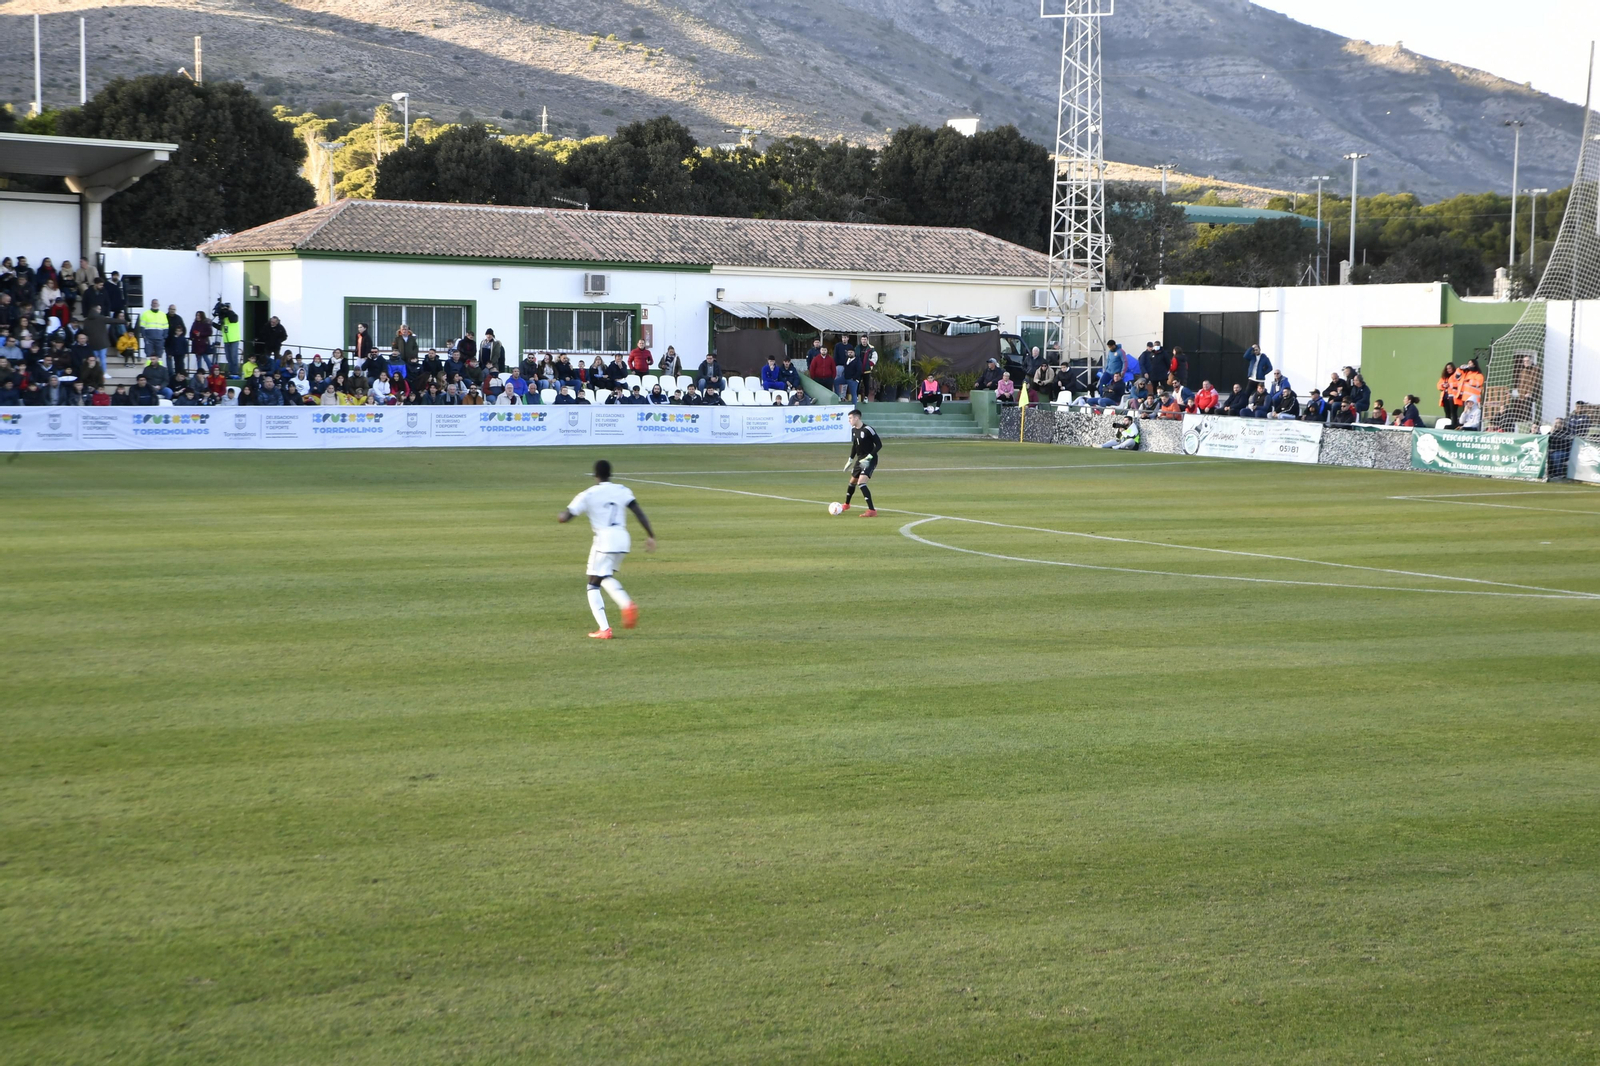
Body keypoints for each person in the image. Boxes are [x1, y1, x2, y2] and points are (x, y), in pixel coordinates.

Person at [557, 459, 656, 639]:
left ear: (595, 475)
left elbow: (567, 517)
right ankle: (623, 608)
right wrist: (650, 535)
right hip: (623, 539)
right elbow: (638, 512)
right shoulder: (621, 489)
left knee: (592, 583)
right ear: (610, 474)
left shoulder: (588, 494)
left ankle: (609, 624)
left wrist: (560, 516)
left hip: (604, 540)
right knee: (604, 576)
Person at [837, 409, 882, 517]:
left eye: (850, 418)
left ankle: (872, 510)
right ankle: (846, 504)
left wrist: (870, 456)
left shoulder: (868, 429)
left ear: (857, 418)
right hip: (860, 459)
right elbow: (855, 445)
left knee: (861, 482)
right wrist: (850, 459)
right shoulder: (854, 430)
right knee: (852, 481)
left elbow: (879, 445)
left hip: (869, 460)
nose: (849, 420)